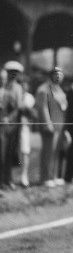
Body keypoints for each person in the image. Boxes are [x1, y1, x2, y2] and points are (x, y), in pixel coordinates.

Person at [36, 67, 68, 188]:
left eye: (60, 74)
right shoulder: (44, 89)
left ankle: (53, 176)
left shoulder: (59, 89)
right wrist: (47, 123)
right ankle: (45, 177)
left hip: (60, 125)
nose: (58, 77)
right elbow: (43, 107)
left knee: (56, 151)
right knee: (48, 151)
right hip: (50, 125)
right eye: (56, 74)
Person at [0, 61, 24, 190]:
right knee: (2, 154)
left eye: (15, 73)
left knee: (9, 154)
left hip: (12, 125)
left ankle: (8, 180)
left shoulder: (18, 89)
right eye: (11, 73)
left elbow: (18, 108)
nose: (13, 76)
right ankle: (2, 181)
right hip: (1, 126)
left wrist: (8, 118)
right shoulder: (3, 87)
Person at [18, 80, 36, 187]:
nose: (24, 87)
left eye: (25, 85)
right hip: (14, 127)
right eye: (22, 85)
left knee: (24, 151)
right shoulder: (16, 94)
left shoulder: (29, 98)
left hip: (24, 127)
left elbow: (33, 114)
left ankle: (24, 176)